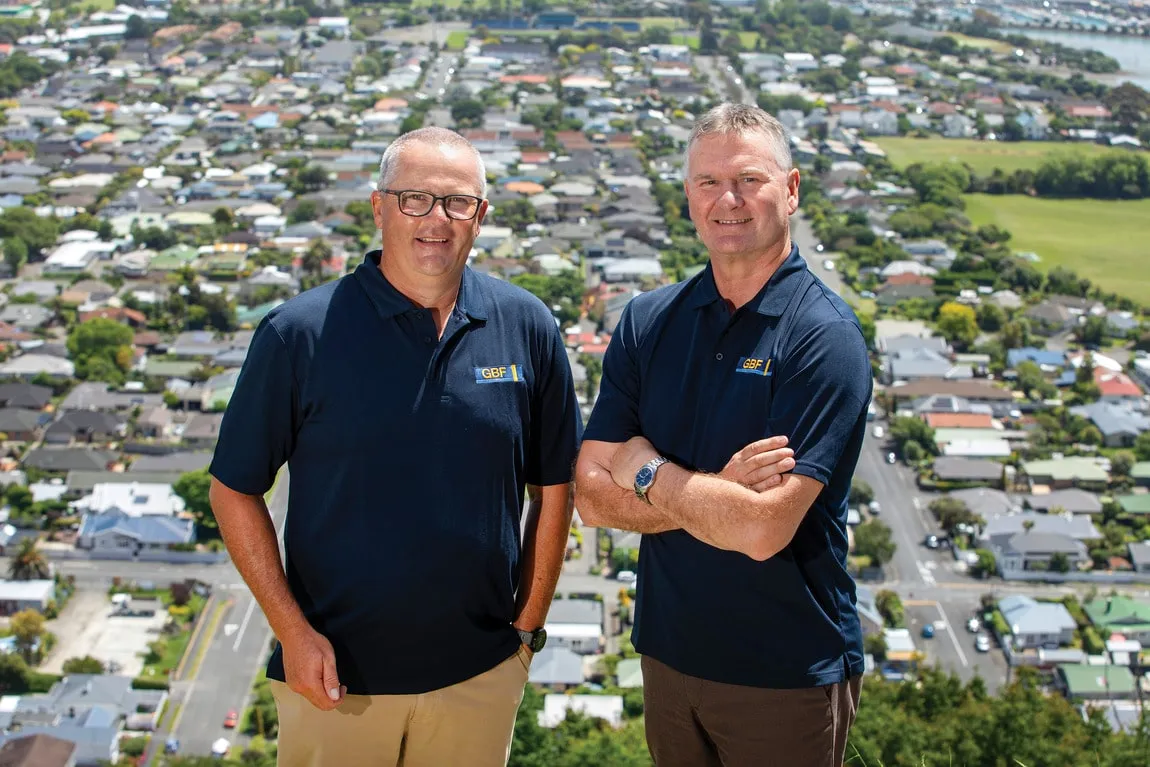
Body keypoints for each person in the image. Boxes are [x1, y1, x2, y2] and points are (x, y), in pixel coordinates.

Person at [208, 127, 582, 767]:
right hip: (335, 683)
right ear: (379, 208)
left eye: (457, 202)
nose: (436, 220)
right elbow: (233, 488)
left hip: (481, 677)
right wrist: (292, 633)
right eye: (414, 199)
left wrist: (528, 627)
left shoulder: (528, 325)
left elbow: (555, 486)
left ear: (481, 215)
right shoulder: (298, 335)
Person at [574, 103, 871, 767]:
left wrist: (648, 469)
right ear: (688, 197)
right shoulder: (648, 321)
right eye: (708, 182)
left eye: (749, 180)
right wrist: (720, 499)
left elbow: (763, 531)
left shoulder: (823, 338)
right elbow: (590, 496)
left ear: (791, 189)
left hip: (785, 669)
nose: (726, 200)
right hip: (669, 656)